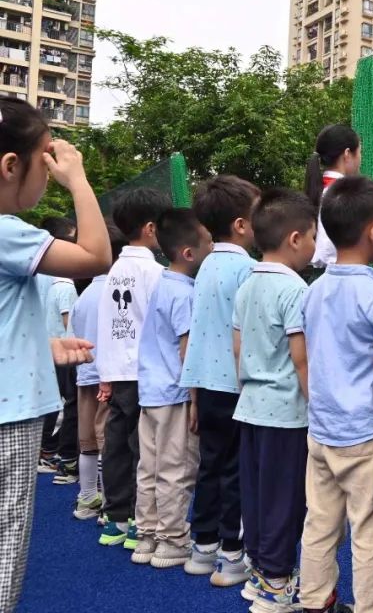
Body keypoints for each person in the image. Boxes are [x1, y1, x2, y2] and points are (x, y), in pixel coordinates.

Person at [0, 97, 111, 612]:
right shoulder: (6, 231)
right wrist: (78, 180)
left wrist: (39, 346)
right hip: (10, 415)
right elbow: (94, 255)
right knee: (7, 534)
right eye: (44, 162)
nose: (50, 174)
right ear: (10, 166)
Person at [299, 177, 373, 613]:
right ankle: (372, 607)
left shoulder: (313, 291)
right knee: (371, 530)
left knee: (319, 523)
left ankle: (315, 601)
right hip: (365, 432)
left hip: (320, 429)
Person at [233, 189, 317, 610]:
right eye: (315, 237)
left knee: (257, 495)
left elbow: (236, 347)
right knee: (286, 500)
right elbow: (301, 361)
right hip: (286, 412)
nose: (317, 247)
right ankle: (276, 585)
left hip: (249, 407)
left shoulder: (247, 285)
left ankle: (259, 572)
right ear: (296, 239)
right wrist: (317, 405)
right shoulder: (296, 291)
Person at [179, 174, 261, 585]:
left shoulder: (206, 264)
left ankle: (202, 546)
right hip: (237, 386)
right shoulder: (249, 269)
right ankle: (232, 555)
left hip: (205, 385)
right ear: (242, 225)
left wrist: (193, 396)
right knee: (235, 470)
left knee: (210, 466)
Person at [131, 209, 212, 568]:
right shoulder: (186, 293)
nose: (213, 246)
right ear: (188, 253)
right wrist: (196, 398)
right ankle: (172, 539)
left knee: (148, 467)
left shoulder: (161, 284)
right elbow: (186, 348)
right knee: (176, 468)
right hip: (174, 393)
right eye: (209, 242)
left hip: (149, 392)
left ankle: (146, 535)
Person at [96, 187, 171, 549]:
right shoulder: (155, 273)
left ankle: (115, 519)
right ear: (151, 228)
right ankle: (141, 523)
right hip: (145, 373)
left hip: (117, 371)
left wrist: (105, 376)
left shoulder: (113, 272)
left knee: (116, 446)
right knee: (144, 449)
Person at [68, 220, 127, 521]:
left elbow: (71, 339)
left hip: (85, 374)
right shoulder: (118, 293)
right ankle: (110, 506)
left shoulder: (83, 297)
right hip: (112, 377)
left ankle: (86, 497)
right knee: (110, 442)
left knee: (87, 441)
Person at [38, 217, 80, 482]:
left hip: (45, 349)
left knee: (53, 404)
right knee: (66, 406)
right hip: (63, 352)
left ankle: (47, 452)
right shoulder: (64, 285)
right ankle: (54, 454)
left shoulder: (42, 279)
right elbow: (70, 323)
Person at [305, 124, 361, 269]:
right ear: (347, 154)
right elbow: (328, 254)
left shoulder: (318, 188)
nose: (361, 158)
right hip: (339, 274)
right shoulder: (343, 195)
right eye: (360, 152)